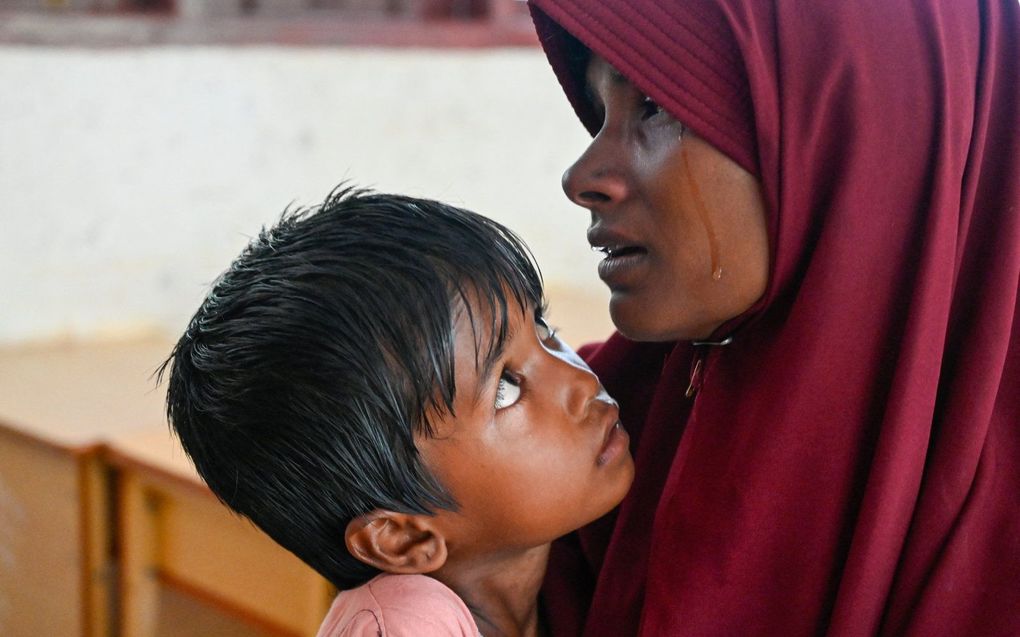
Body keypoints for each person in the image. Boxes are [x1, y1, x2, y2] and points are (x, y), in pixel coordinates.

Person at [526, 0, 1020, 635]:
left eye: (656, 106)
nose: (582, 177)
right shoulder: (578, 440)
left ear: (862, 127)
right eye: (599, 116)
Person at [160, 187, 635, 637]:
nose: (579, 379)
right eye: (506, 389)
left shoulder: (560, 584)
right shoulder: (406, 622)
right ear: (404, 537)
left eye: (543, 326)